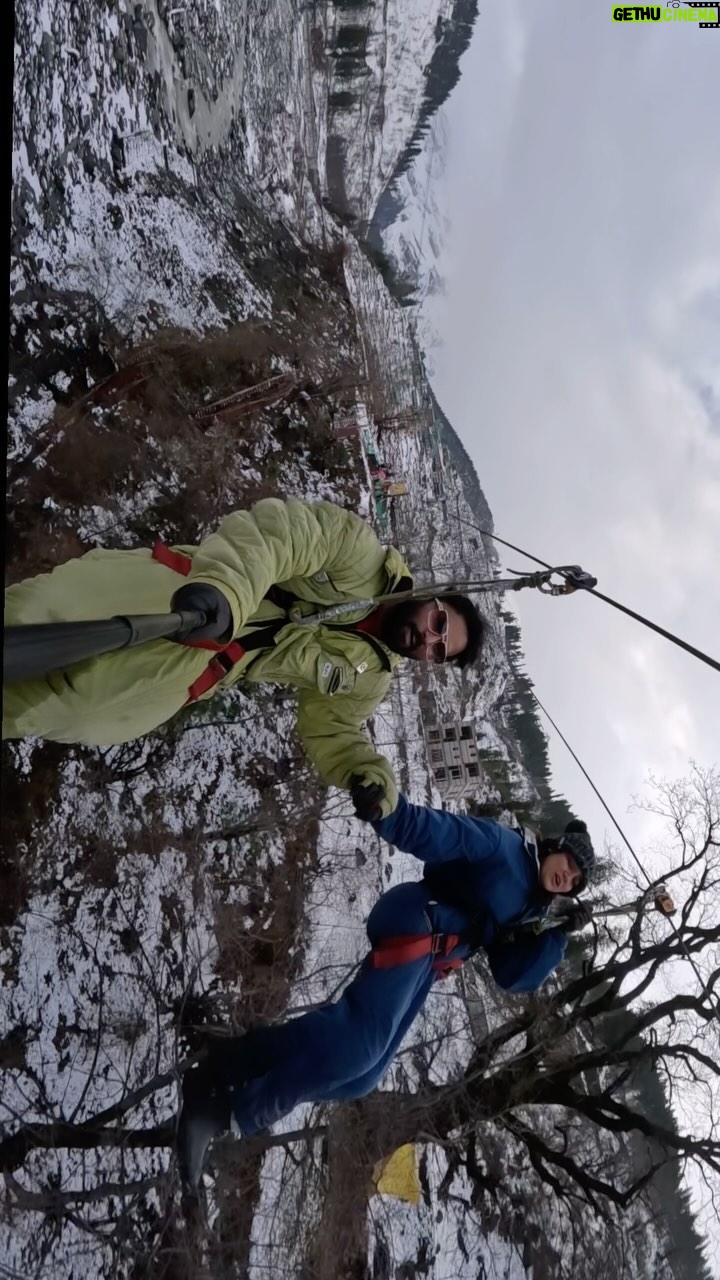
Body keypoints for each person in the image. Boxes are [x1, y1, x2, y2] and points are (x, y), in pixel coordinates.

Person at [175, 804, 595, 1198]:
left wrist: (555, 940)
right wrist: (388, 810)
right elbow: (441, 832)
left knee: (363, 1076)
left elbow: (511, 974)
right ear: (555, 847)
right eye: (570, 864)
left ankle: (226, 1063)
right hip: (416, 923)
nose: (569, 877)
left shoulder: (529, 906)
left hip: (430, 960)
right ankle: (221, 1109)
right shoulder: (503, 846)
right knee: (357, 1048)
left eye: (576, 881)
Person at [3, 498, 483, 818]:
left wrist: (367, 775)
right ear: (432, 597)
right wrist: (227, 594)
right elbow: (278, 536)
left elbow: (333, 730)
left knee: (66, 709)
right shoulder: (359, 555)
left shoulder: (368, 679)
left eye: (438, 651)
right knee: (34, 619)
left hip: (195, 674)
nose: (428, 640)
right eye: (439, 623)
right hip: (185, 596)